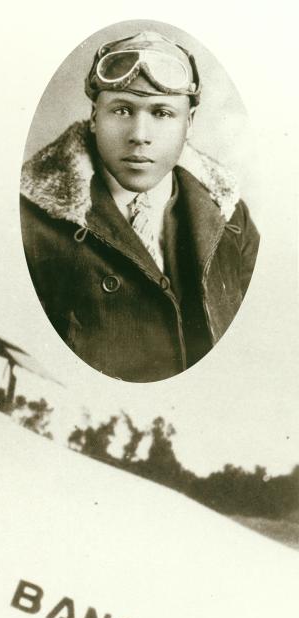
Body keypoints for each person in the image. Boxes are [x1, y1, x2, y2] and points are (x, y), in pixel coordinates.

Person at [20, 31, 259, 382]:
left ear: (188, 124)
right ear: (94, 116)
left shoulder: (232, 219)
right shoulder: (31, 222)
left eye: (162, 113)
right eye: (121, 110)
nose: (139, 134)